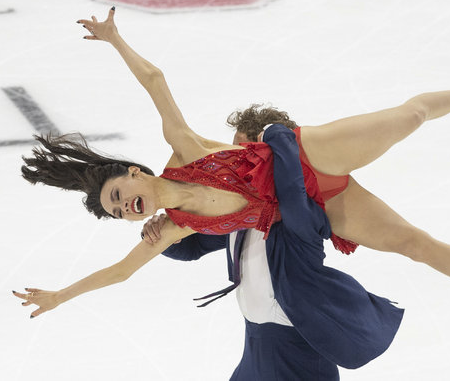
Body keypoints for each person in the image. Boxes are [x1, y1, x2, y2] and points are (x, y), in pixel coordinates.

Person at [13, 8, 450, 339]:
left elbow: (156, 81)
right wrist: (61, 296)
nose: (125, 207)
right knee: (411, 243)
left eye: (118, 193)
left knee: (410, 116)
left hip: (307, 157)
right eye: (117, 211)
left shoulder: (183, 151)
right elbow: (120, 273)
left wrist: (115, 40)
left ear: (133, 172)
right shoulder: (176, 225)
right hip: (314, 204)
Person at [161, 123, 403, 379]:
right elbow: (194, 246)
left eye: (245, 151)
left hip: (299, 360)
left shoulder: (297, 218)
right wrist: (161, 236)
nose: (234, 159)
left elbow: (292, 186)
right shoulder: (238, 217)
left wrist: (277, 134)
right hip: (254, 356)